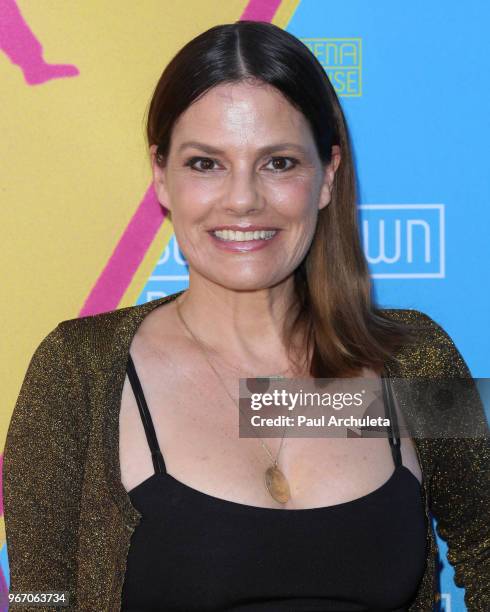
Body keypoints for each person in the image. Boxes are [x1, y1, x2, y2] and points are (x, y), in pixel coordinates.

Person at [3, 20, 489, 612]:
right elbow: (39, 597)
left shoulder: (413, 358)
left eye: (278, 163)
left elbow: (486, 544)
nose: (242, 199)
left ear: (327, 176)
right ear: (161, 175)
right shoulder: (80, 370)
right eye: (206, 164)